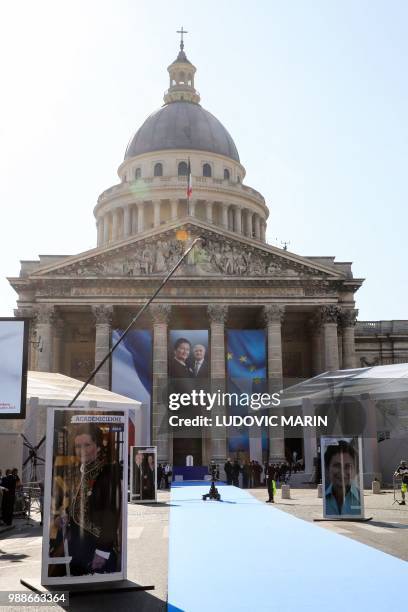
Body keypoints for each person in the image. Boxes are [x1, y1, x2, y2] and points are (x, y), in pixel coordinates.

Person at [52, 424, 122, 576]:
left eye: (87, 445)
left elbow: (112, 514)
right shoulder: (77, 473)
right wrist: (64, 516)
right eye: (78, 446)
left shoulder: (108, 473)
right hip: (75, 545)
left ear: (98, 446)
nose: (81, 450)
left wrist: (102, 552)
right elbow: (75, 504)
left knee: (96, 598)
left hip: (97, 547)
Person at [324, 440, 361, 516]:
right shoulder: (322, 500)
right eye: (337, 465)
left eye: (348, 466)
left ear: (354, 470)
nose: (342, 472)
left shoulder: (360, 499)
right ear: (327, 469)